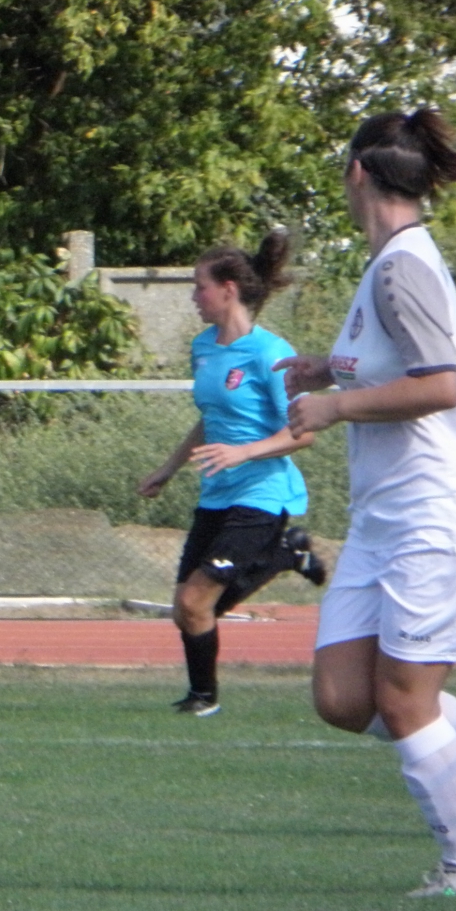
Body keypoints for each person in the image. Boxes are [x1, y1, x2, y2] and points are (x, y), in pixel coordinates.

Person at [276, 107, 456, 897]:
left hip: (432, 513)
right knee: (342, 696)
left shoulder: (402, 268)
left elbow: (441, 385)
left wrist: (334, 407)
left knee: (402, 701)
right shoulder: (386, 263)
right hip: (381, 522)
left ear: (357, 172)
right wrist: (328, 369)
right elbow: (396, 364)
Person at [138, 230, 327, 716]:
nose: (193, 296)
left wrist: (244, 452)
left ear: (228, 290)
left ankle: (203, 699)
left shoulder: (269, 352)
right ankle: (289, 554)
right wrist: (168, 468)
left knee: (195, 604)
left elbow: (303, 433)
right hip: (216, 493)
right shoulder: (203, 347)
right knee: (187, 608)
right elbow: (212, 417)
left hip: (263, 494)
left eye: (199, 286)